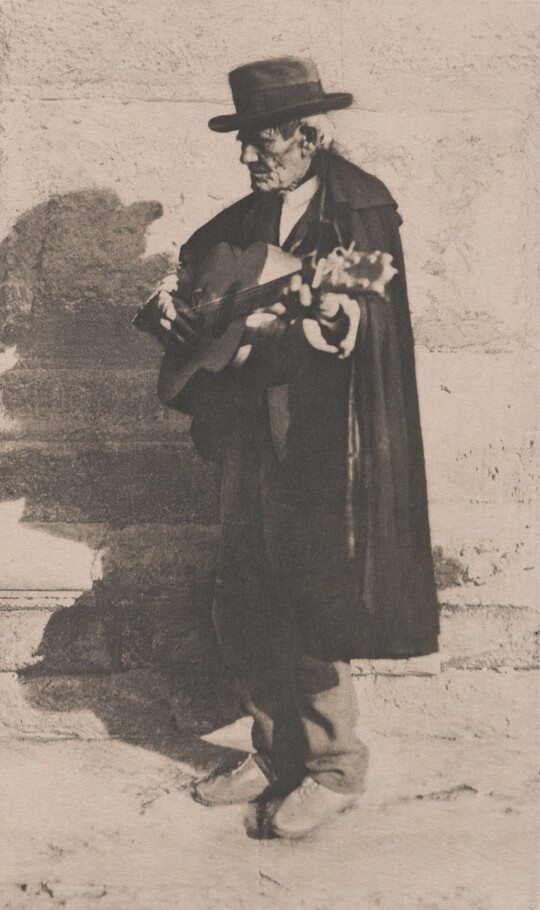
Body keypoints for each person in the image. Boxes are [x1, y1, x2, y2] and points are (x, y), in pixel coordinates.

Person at [138, 57, 439, 839]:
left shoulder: (359, 210)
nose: (248, 155)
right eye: (244, 140)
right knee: (241, 590)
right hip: (251, 429)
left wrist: (321, 317)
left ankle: (335, 766)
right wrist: (171, 303)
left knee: (311, 594)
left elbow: (364, 324)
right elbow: (200, 271)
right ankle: (275, 750)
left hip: (318, 437)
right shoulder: (253, 212)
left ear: (310, 137)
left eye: (263, 141)